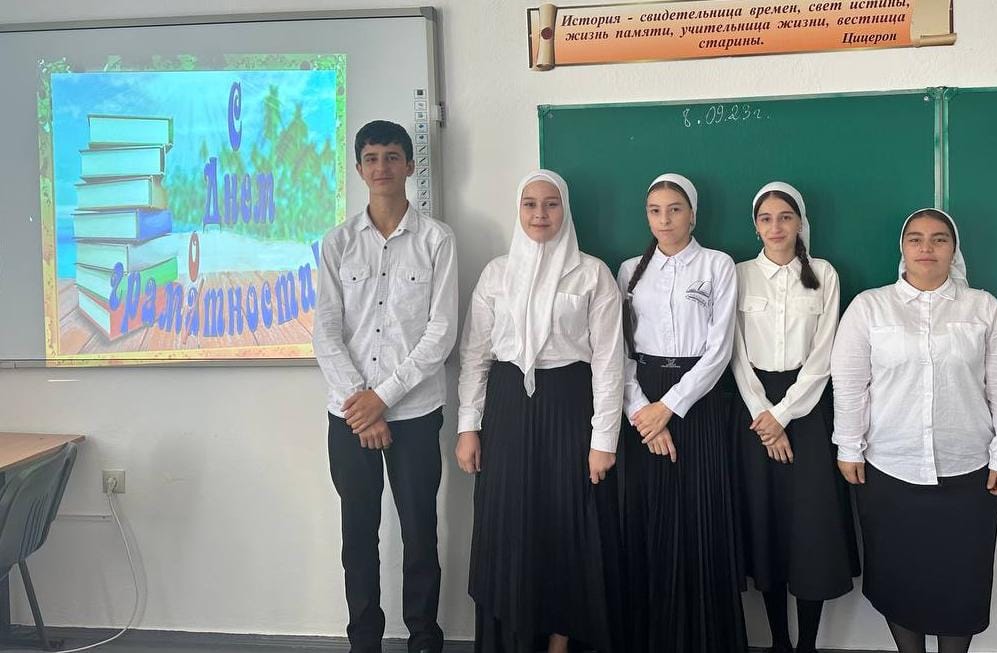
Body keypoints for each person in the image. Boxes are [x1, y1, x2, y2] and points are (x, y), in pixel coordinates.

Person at [832, 208, 997, 653]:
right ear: (902, 248)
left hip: (969, 472)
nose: (926, 248)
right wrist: (849, 446)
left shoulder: (983, 308)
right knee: (900, 579)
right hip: (889, 469)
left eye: (939, 239)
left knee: (961, 581)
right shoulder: (870, 307)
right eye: (915, 238)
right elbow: (850, 383)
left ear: (953, 249)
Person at [455, 169, 625, 653]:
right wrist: (468, 427)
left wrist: (603, 440)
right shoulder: (496, 273)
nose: (540, 214)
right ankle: (513, 637)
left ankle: (560, 640)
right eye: (530, 204)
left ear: (564, 209)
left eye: (550, 204)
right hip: (507, 408)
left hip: (570, 407)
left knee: (567, 522)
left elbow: (609, 361)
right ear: (519, 210)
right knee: (508, 522)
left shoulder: (592, 273)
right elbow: (475, 355)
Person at [313, 120, 458, 653]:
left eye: (392, 157)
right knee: (358, 535)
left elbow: (441, 332)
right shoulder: (337, 243)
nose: (382, 168)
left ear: (409, 165)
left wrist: (383, 398)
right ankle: (363, 640)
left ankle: (424, 637)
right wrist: (363, 403)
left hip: (415, 413)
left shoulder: (438, 239)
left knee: (420, 532)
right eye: (371, 158)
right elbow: (326, 330)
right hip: (349, 415)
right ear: (358, 168)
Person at [616, 173, 747, 653]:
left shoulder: (717, 265)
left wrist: (669, 407)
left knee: (700, 518)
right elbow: (619, 351)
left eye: (674, 209)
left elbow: (719, 350)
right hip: (642, 399)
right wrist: (643, 415)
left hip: (699, 400)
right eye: (655, 210)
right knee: (648, 519)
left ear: (692, 214)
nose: (664, 219)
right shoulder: (629, 270)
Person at [731, 182, 859, 653]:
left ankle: (807, 643)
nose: (775, 227)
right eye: (765, 218)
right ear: (755, 226)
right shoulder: (739, 274)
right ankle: (778, 641)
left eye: (785, 217)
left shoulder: (824, 273)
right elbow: (734, 353)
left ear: (800, 223)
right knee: (765, 522)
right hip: (753, 410)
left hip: (808, 409)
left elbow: (824, 356)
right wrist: (765, 417)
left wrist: (784, 414)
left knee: (810, 527)